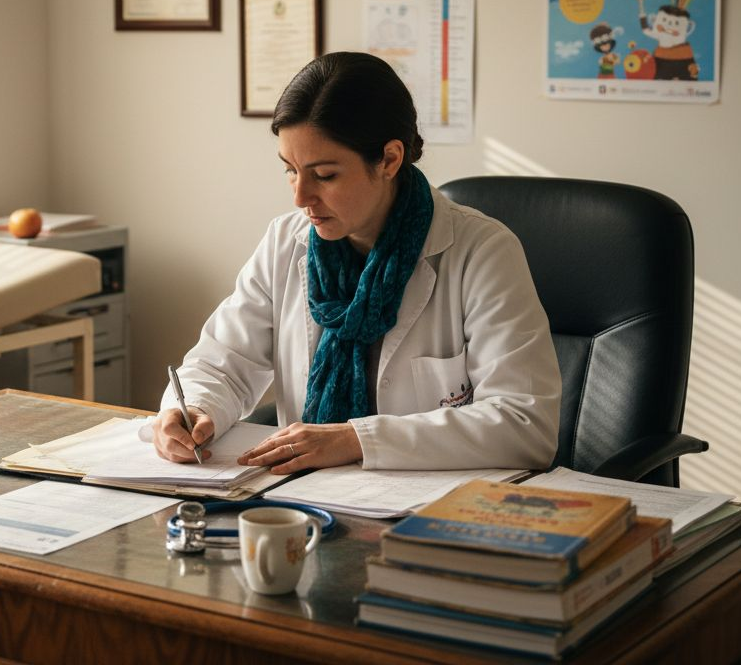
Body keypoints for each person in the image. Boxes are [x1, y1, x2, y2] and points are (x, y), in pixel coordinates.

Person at [153, 52, 560, 473]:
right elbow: (225, 361)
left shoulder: (482, 252)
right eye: (290, 170)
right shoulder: (285, 242)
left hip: (434, 507)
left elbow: (525, 424)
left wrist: (357, 439)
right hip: (306, 500)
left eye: (324, 175)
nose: (300, 197)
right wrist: (194, 408)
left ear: (389, 159)